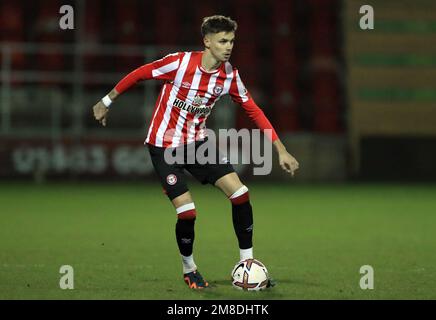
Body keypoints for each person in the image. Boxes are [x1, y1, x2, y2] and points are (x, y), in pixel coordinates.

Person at [93, 15, 299, 289]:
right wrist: (106, 101)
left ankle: (247, 265)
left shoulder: (229, 76)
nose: (229, 47)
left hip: (197, 145)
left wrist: (281, 150)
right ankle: (189, 269)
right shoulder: (178, 63)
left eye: (232, 41)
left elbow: (254, 111)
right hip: (164, 148)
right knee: (188, 212)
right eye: (223, 41)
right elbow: (142, 73)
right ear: (207, 41)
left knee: (240, 194)